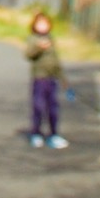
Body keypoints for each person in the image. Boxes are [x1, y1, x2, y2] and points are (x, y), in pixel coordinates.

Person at [25, 13, 69, 148]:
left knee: (53, 108)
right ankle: (36, 133)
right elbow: (29, 54)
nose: (42, 26)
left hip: (52, 79)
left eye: (45, 23)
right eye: (40, 23)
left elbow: (56, 60)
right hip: (39, 78)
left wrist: (62, 77)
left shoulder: (51, 40)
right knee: (38, 106)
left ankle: (54, 134)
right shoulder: (33, 39)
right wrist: (39, 47)